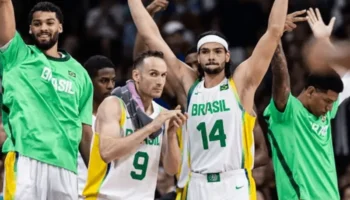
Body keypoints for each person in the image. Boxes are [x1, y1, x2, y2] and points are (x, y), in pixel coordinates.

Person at [128, 0, 290, 199]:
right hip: (197, 183)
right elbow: (150, 35)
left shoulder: (240, 84)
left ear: (227, 56)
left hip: (234, 181)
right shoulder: (188, 85)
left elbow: (273, 31)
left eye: (217, 51)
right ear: (199, 56)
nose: (211, 56)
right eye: (205, 51)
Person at [0, 1, 93, 199]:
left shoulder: (80, 74)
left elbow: (85, 133)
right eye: (37, 23)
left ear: (60, 27)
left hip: (66, 165)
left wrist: (96, 178)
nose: (43, 27)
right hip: (24, 158)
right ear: (30, 29)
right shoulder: (18, 56)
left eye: (50, 22)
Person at [264, 8, 350, 199]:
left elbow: (346, 78)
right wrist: (274, 36)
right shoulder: (286, 112)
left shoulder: (326, 109)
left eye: (332, 103)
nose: (330, 108)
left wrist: (324, 41)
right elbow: (281, 77)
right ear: (310, 91)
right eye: (327, 101)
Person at [82, 50, 187, 200]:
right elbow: (107, 152)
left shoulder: (163, 114)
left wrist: (170, 135)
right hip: (106, 196)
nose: (160, 81)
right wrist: (152, 126)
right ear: (136, 75)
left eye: (163, 75)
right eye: (153, 74)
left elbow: (172, 169)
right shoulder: (114, 104)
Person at [77, 55, 116, 197]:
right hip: (78, 192)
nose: (110, 86)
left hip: (108, 194)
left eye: (113, 80)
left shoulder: (120, 118)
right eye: (104, 81)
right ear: (88, 81)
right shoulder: (74, 117)